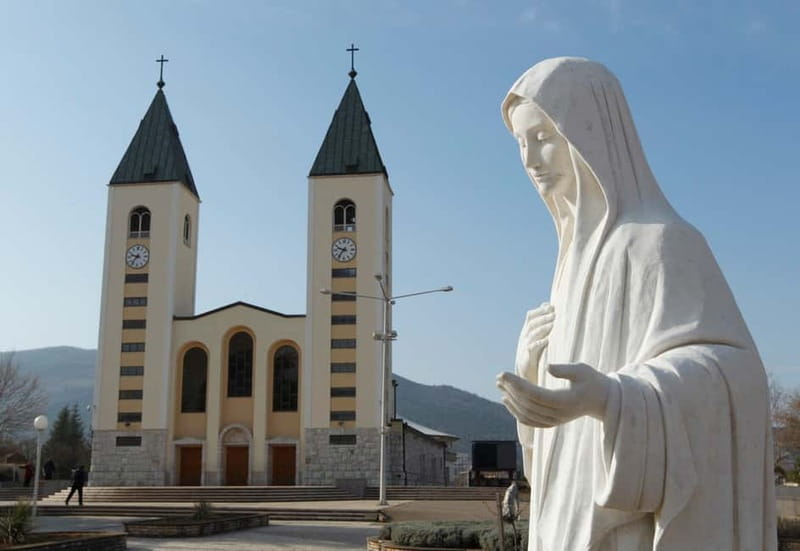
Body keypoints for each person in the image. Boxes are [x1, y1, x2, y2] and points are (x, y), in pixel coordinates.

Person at [496, 57, 776, 550]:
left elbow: (738, 375)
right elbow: (552, 441)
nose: (529, 159)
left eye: (542, 136)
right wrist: (532, 375)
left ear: (590, 134)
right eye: (520, 143)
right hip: (565, 512)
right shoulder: (569, 265)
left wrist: (612, 398)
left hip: (622, 519)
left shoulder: (663, 242)